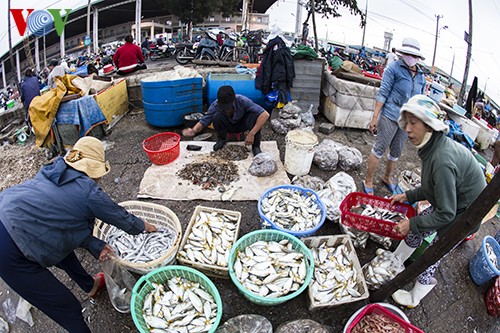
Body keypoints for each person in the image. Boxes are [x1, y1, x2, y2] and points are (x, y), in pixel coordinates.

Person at [0, 136, 157, 333]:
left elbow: (59, 223)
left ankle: (89, 286)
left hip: (8, 209)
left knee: (64, 252)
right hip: (8, 250)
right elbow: (121, 218)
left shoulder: (52, 171)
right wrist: (145, 226)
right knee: (67, 307)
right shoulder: (90, 192)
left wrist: (95, 245)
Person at [389, 95, 486, 308]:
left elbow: (446, 213)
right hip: (452, 201)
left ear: (430, 125)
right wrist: (409, 195)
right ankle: (395, 262)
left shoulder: (442, 160)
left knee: (435, 251)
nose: (407, 128)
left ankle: (415, 297)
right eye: (406, 122)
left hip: (463, 214)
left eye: (414, 123)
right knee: (419, 226)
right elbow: (433, 187)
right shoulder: (432, 147)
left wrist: (411, 223)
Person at [362, 37, 426, 194]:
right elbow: (383, 94)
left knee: (396, 151)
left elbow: (421, 100)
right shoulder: (393, 69)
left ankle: (387, 177)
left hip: (408, 121)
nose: (412, 59)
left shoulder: (421, 76)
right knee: (379, 148)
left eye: (415, 56)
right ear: (403, 54)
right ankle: (368, 180)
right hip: (390, 115)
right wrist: (375, 117)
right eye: (408, 54)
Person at [182, 85, 270, 156]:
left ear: (234, 99)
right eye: (224, 107)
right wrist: (193, 130)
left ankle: (256, 146)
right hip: (229, 126)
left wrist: (252, 134)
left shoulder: (242, 100)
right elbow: (204, 120)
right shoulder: (215, 105)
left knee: (254, 116)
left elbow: (265, 114)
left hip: (242, 124)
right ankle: (221, 140)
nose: (227, 109)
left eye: (228, 107)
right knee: (217, 116)